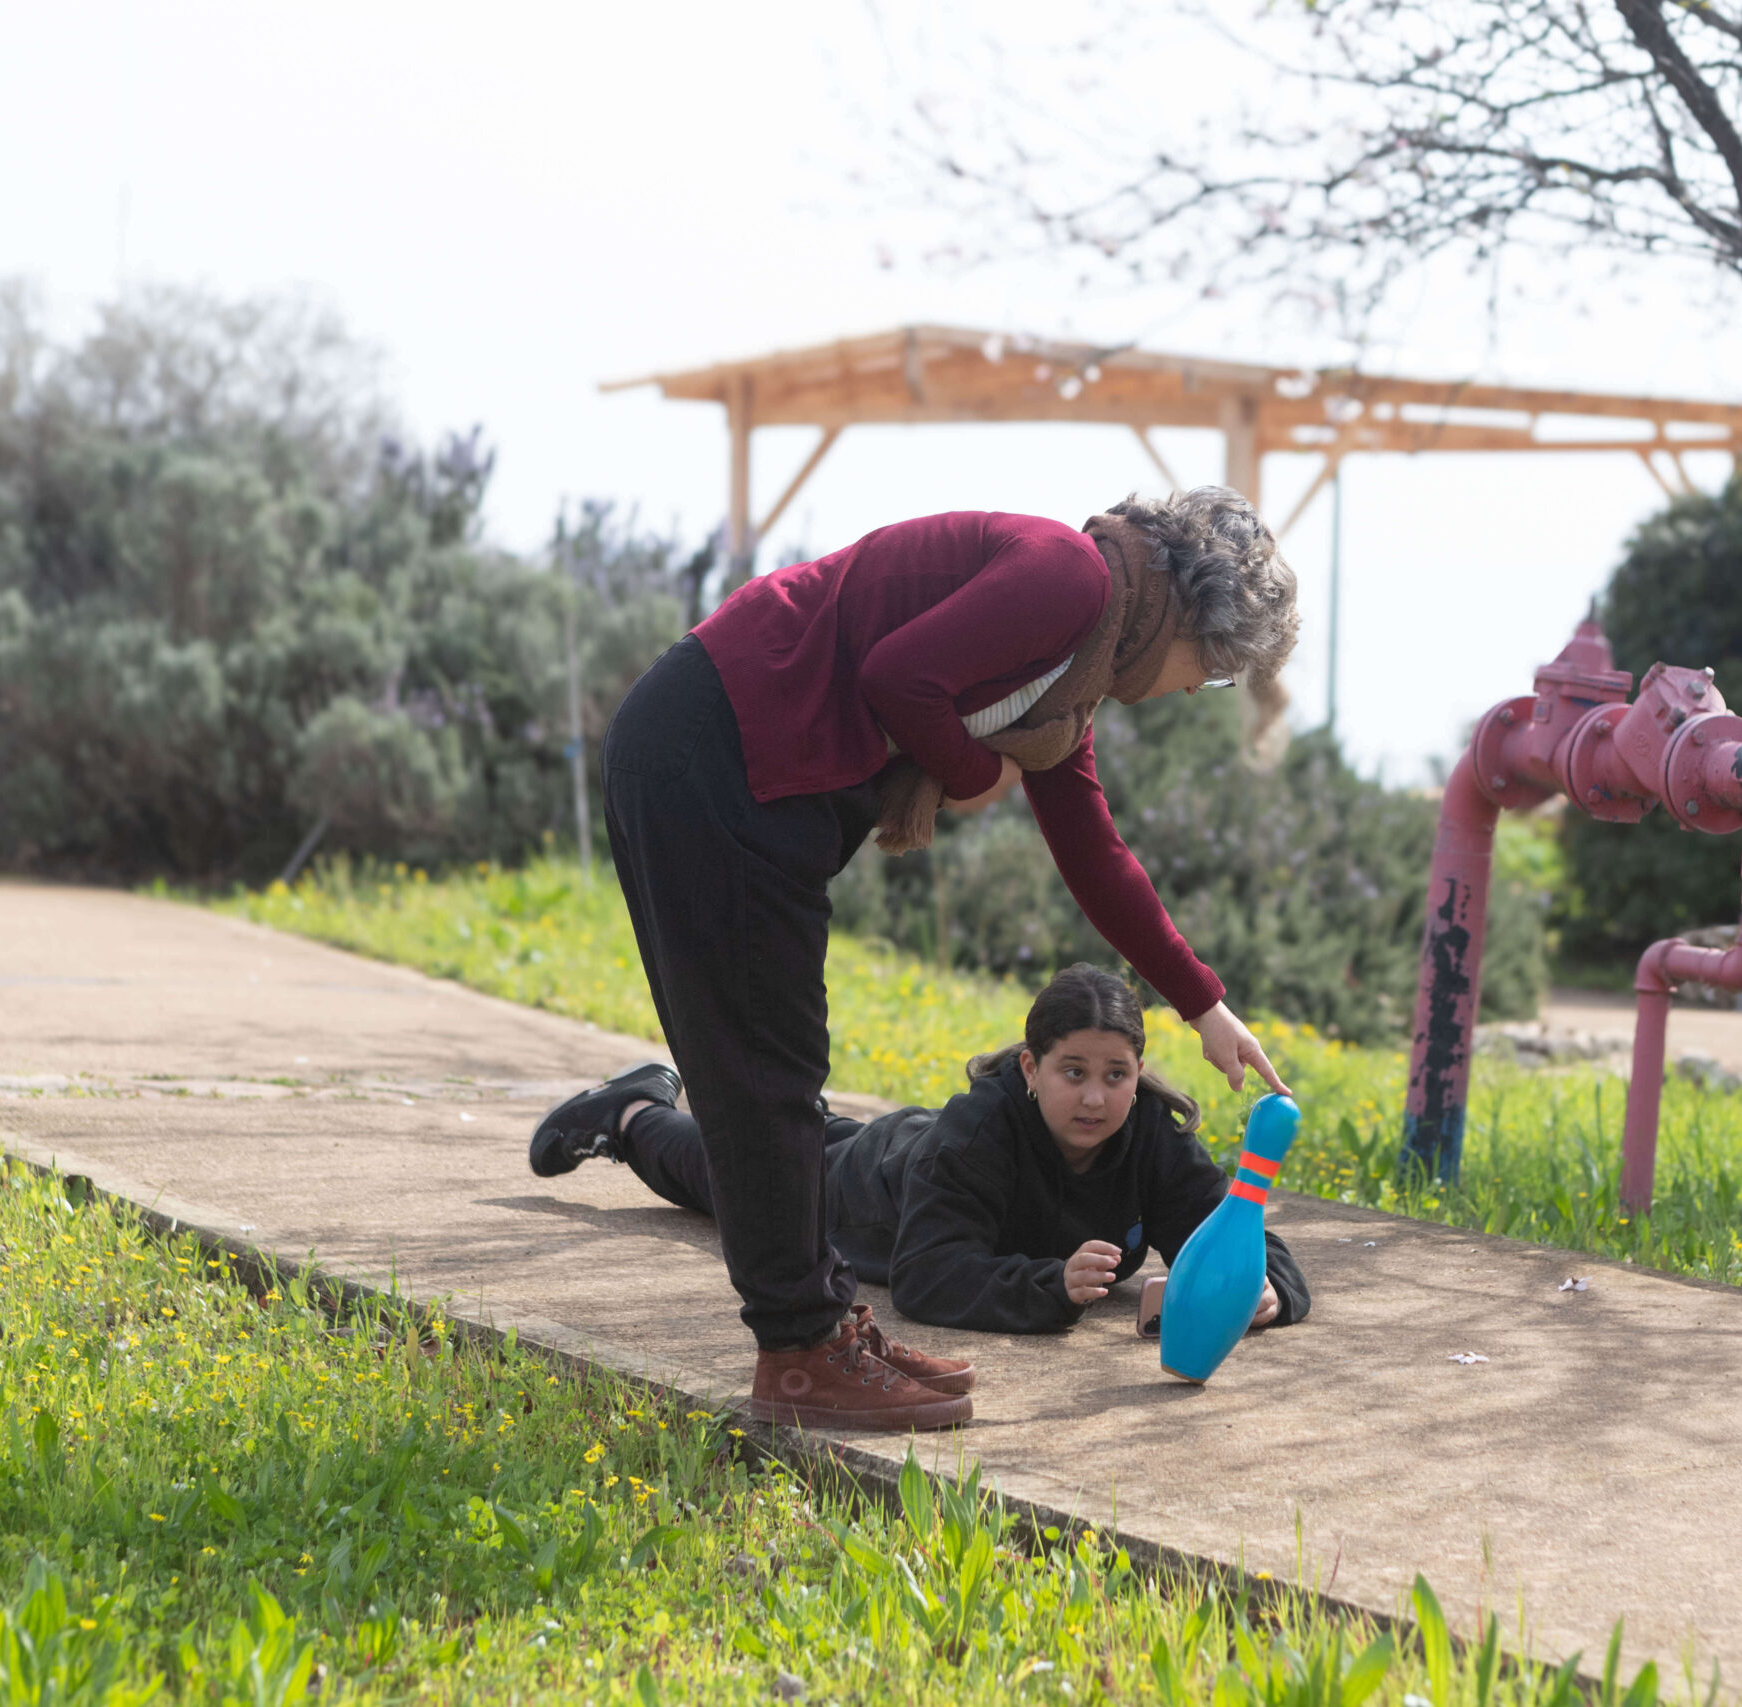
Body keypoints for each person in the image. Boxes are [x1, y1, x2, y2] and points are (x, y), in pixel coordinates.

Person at [526, 491, 1299, 1433]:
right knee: (764, 1070)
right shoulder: (1069, 579)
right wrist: (975, 778)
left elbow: (1097, 855)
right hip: (722, 748)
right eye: (1214, 669)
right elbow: (902, 676)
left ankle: (823, 1332)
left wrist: (1203, 1006)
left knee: (778, 1070)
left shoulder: (1067, 677)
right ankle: (802, 1355)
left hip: (758, 770)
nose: (1193, 688)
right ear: (1188, 613)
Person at [545, 965, 1312, 1345]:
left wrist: (1268, 1287)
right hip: (871, 1193)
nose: (1093, 1099)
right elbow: (924, 1276)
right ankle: (633, 1109)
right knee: (728, 1171)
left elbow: (1238, 1232)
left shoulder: (1147, 1132)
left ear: (1137, 1075)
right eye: (1072, 1072)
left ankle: (702, 1111)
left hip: (918, 1146)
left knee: (798, 1131)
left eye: (1115, 1076)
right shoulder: (984, 1130)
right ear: (1029, 1068)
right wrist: (1051, 1283)